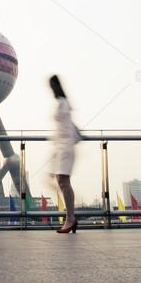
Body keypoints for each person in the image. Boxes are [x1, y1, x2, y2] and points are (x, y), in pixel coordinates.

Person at [48, 75, 79, 234]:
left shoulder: (63, 103)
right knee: (62, 181)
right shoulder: (63, 103)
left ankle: (70, 219)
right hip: (62, 146)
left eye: (52, 86)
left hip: (65, 146)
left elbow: (67, 126)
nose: (51, 89)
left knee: (64, 181)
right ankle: (70, 218)